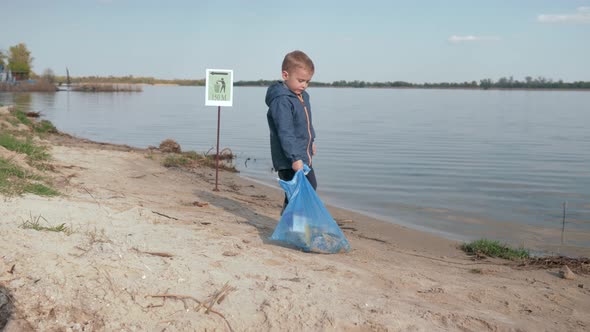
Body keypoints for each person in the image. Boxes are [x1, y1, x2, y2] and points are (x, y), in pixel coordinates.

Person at [266, 50, 317, 214]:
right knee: (299, 191)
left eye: (307, 81)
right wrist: (294, 158)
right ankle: (293, 224)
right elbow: (285, 131)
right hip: (289, 159)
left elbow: (306, 123)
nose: (304, 85)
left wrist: (312, 141)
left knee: (308, 187)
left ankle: (292, 222)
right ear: (285, 75)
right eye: (300, 80)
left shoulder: (302, 96)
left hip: (303, 153)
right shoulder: (282, 100)